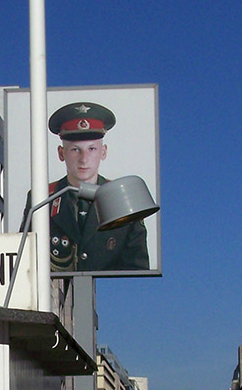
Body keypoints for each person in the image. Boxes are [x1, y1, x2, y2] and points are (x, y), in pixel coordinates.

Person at [23, 102, 151, 273]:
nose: (84, 159)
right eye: (75, 150)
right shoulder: (42, 198)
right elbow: (26, 261)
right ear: (61, 153)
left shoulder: (123, 199)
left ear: (103, 152)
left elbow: (137, 270)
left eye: (91, 149)